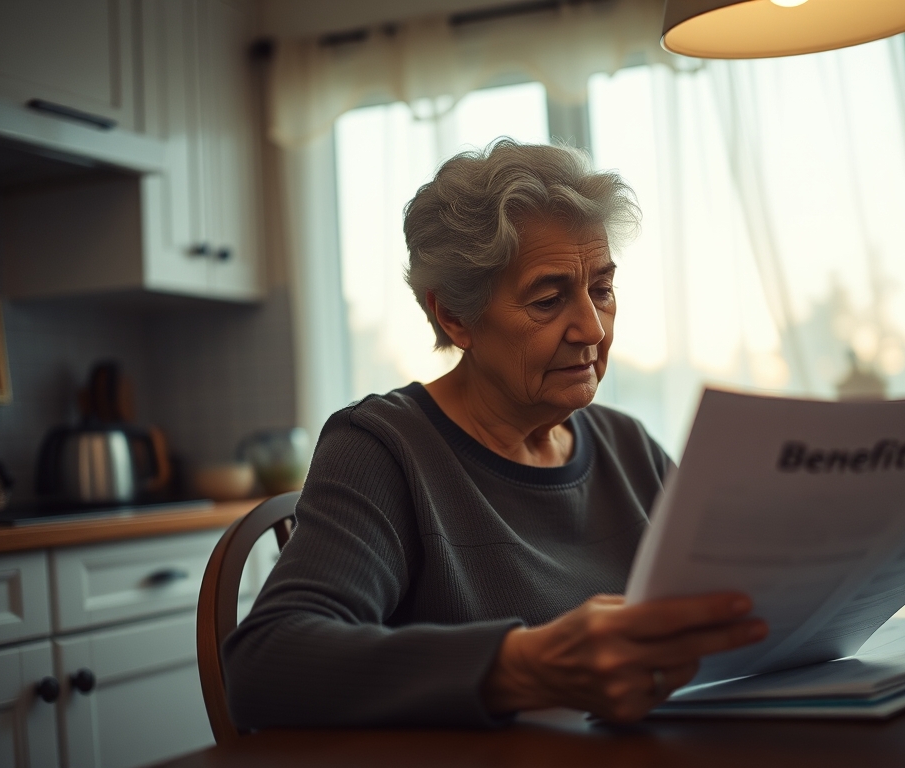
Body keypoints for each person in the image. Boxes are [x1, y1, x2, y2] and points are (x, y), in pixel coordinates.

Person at [223, 140, 767, 729]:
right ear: (456, 317)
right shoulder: (383, 448)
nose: (590, 327)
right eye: (548, 298)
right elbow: (265, 665)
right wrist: (524, 667)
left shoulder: (626, 444)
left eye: (602, 289)